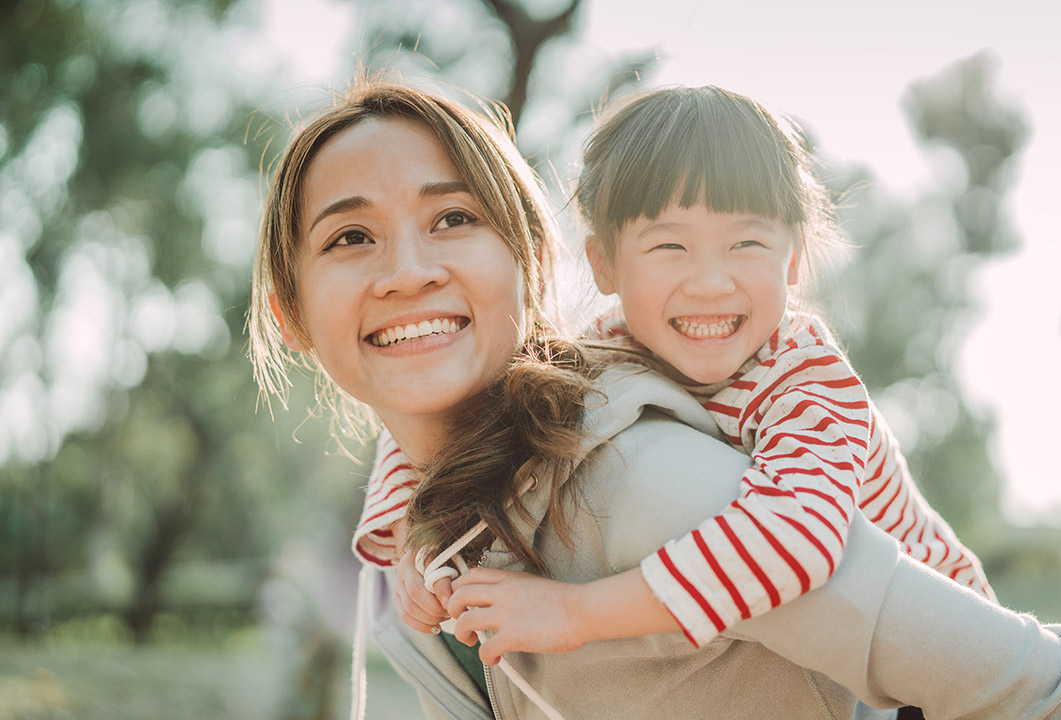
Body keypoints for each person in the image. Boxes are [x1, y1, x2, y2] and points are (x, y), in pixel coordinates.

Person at [249, 80, 1061, 719]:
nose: (409, 271)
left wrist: (580, 614)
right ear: (291, 313)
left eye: (453, 220)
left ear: (532, 261)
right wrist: (408, 542)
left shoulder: (638, 479)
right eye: (352, 236)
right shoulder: (449, 531)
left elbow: (1060, 699)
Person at [362, 85, 995, 656]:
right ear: (604, 265)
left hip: (949, 662)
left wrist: (577, 613)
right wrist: (415, 539)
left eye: (747, 243)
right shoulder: (605, 353)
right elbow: (468, 414)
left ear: (794, 257)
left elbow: (797, 541)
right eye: (670, 246)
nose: (711, 283)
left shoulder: (806, 383)